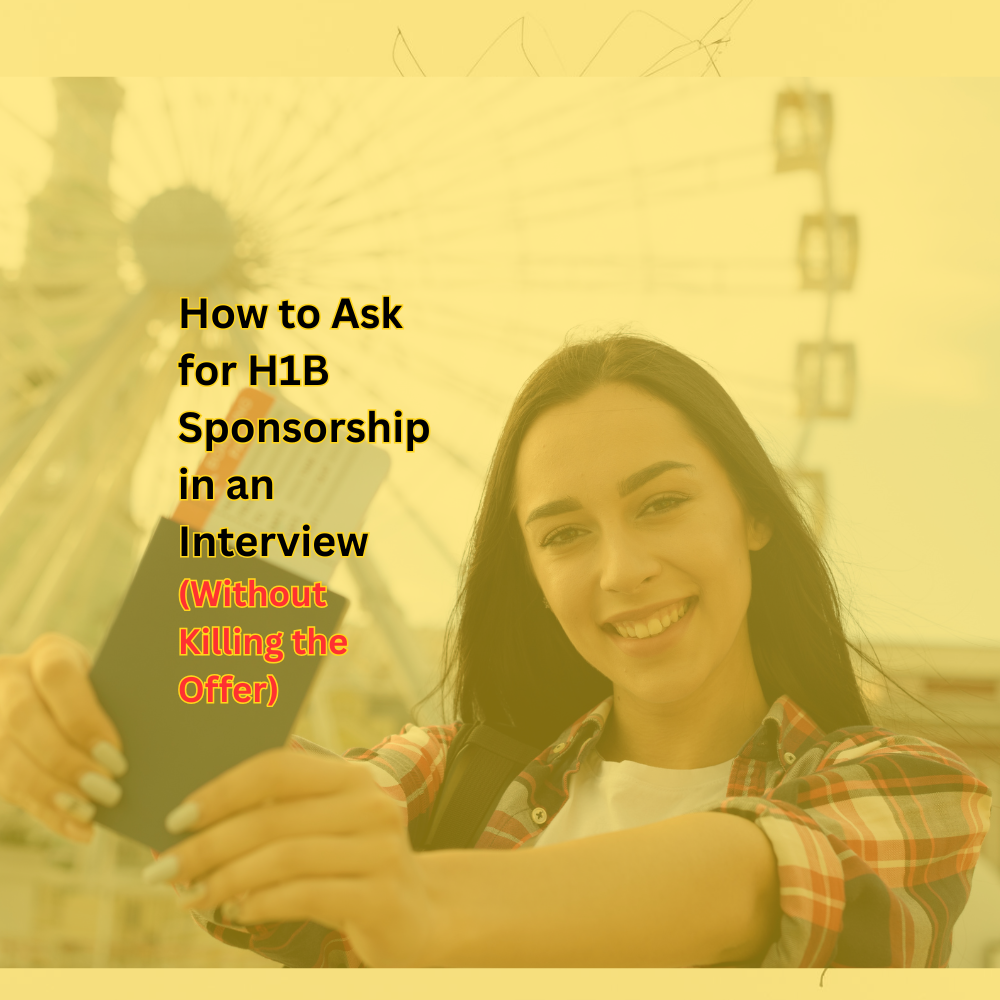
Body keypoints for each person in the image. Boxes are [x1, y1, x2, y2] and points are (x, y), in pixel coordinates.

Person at [0, 333, 990, 968]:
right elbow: (233, 799)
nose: (621, 567)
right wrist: (82, 722)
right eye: (563, 534)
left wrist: (416, 905)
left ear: (756, 516)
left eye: (661, 502)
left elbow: (748, 878)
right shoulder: (445, 774)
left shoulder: (907, 789)